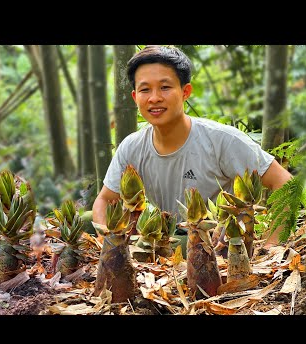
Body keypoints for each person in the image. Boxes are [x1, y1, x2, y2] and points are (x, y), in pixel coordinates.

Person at [92, 45, 292, 250]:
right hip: (166, 234)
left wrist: (271, 247)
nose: (154, 98)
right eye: (145, 89)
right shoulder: (132, 146)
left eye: (165, 87)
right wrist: (107, 242)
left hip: (215, 241)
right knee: (85, 221)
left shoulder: (221, 140)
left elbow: (285, 184)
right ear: (135, 98)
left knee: (182, 244)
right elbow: (105, 200)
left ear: (185, 91)